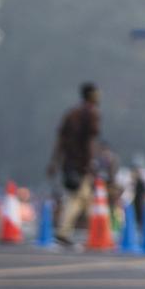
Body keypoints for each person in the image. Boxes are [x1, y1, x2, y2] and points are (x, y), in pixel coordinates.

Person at [46, 82, 101, 247]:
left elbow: (60, 140)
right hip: (82, 164)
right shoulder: (91, 114)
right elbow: (90, 141)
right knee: (79, 198)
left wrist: (54, 162)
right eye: (97, 93)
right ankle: (69, 232)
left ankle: (88, 232)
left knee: (83, 198)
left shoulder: (71, 114)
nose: (99, 96)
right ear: (90, 95)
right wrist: (92, 162)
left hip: (69, 163)